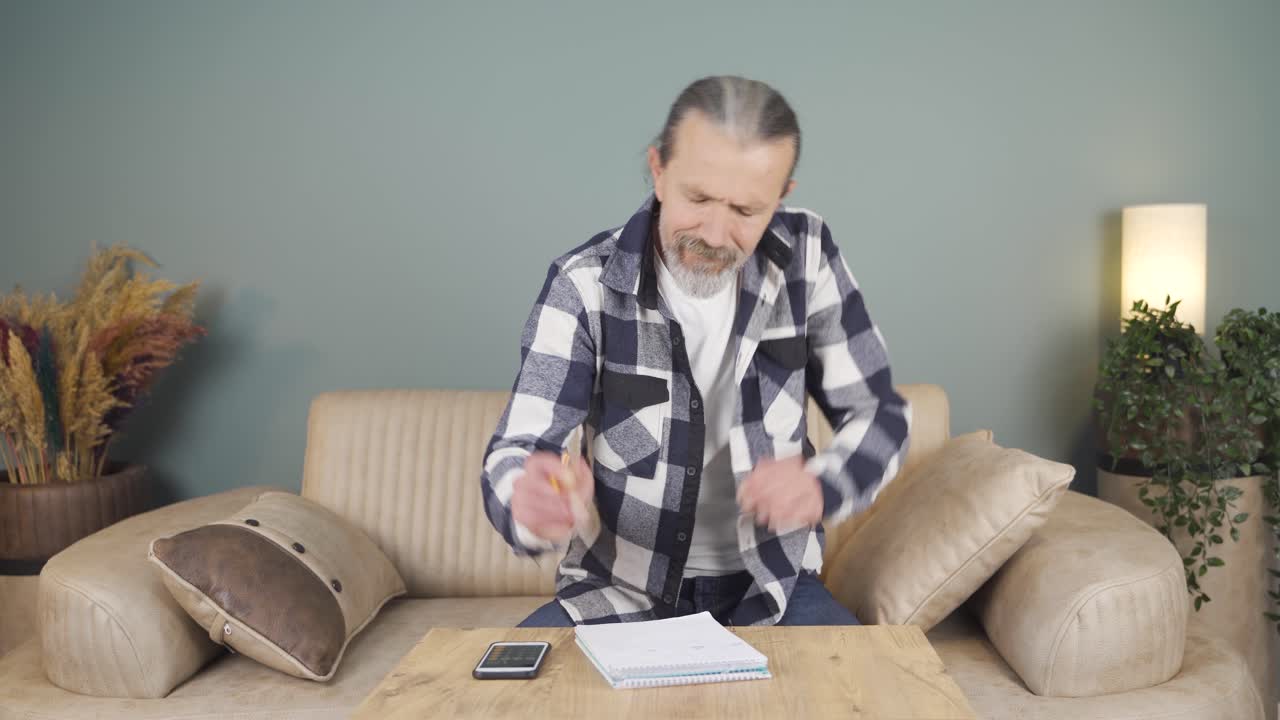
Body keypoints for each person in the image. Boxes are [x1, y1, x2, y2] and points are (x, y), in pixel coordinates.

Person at [480, 75, 911, 627]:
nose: (715, 233)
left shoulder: (807, 258)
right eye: (699, 198)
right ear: (659, 171)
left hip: (772, 589)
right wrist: (526, 500)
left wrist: (820, 485)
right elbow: (519, 445)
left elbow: (879, 413)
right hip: (619, 592)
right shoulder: (582, 284)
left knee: (867, 681)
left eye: (746, 211)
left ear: (781, 196)